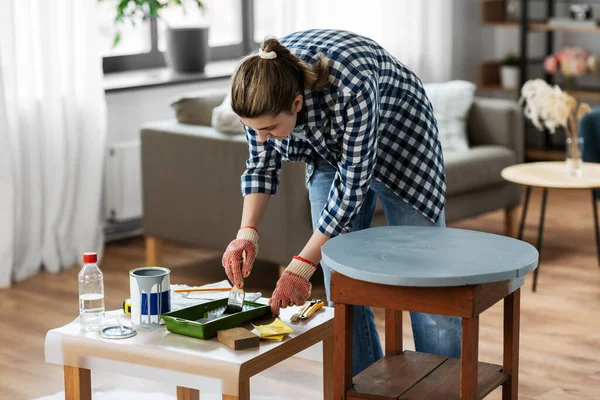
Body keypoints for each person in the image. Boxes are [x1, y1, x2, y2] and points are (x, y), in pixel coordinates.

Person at [221, 29, 461, 376]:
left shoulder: (351, 86)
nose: (261, 137)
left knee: (426, 277)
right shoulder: (258, 91)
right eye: (252, 129)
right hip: (330, 151)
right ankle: (367, 385)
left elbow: (352, 188)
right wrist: (247, 232)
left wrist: (301, 266)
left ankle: (443, 385)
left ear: (297, 104)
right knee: (341, 278)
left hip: (403, 144)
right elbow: (261, 164)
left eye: (269, 128)